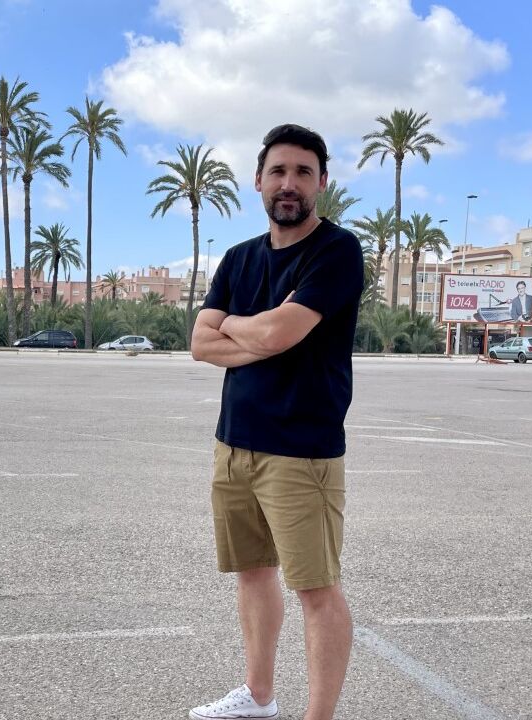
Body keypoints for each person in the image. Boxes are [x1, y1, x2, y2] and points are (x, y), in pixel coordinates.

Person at [190, 124, 364, 720]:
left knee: (316, 589)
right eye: (279, 172)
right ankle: (258, 697)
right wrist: (260, 332)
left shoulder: (336, 251)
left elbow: (278, 334)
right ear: (258, 181)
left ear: (322, 183)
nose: (290, 183)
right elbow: (199, 344)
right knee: (252, 574)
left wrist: (236, 324)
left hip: (301, 450)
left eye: (303, 173)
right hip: (234, 443)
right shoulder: (239, 258)